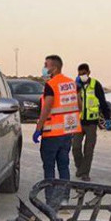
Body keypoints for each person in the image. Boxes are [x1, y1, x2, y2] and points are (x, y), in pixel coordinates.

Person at [33, 55, 81, 208]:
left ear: (54, 68)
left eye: (46, 65)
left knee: (49, 168)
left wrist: (38, 128)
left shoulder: (51, 85)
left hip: (52, 133)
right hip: (67, 133)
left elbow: (46, 108)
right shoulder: (71, 83)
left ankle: (51, 202)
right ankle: (64, 199)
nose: (44, 68)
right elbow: (79, 105)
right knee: (63, 166)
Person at [72, 63, 107, 181]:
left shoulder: (95, 85)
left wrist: (107, 117)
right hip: (79, 121)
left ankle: (85, 173)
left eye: (84, 73)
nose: (82, 75)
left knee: (89, 150)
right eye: (80, 74)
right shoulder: (76, 86)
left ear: (89, 72)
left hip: (92, 122)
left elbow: (102, 101)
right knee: (75, 147)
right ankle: (80, 168)